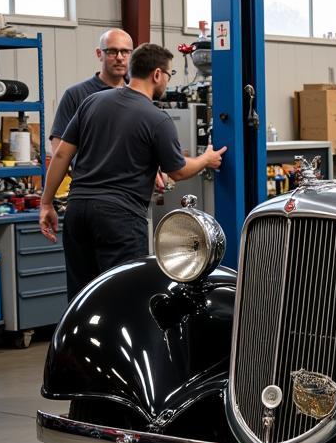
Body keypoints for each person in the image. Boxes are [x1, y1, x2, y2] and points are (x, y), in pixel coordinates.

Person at [38, 43, 227, 299]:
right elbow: (179, 171)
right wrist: (206, 159)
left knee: (82, 298)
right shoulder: (157, 118)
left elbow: (61, 154)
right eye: (169, 75)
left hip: (77, 212)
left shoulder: (92, 102)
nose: (168, 83)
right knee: (123, 297)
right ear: (157, 74)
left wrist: (46, 203)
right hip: (119, 219)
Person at [47, 28, 133, 165]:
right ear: (99, 54)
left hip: (130, 182)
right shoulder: (76, 95)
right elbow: (58, 146)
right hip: (89, 182)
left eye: (125, 52)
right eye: (112, 51)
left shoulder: (138, 96)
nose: (119, 57)